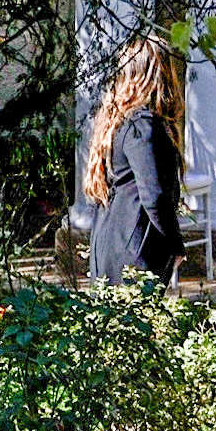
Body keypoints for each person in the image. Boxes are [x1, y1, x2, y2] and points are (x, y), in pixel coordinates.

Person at [86, 37, 187, 288]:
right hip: (134, 249)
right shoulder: (142, 125)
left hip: (111, 242)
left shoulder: (120, 119)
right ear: (160, 73)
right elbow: (154, 196)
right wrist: (176, 245)